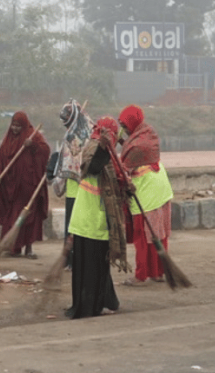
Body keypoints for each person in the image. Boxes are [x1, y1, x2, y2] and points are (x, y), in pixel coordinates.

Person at [66, 116, 131, 319]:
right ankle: (89, 306)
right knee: (90, 266)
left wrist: (127, 186)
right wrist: (103, 147)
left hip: (97, 217)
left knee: (98, 265)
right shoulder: (93, 147)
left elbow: (117, 180)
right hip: (90, 217)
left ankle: (107, 301)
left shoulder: (111, 154)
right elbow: (90, 167)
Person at [118, 104, 174, 285]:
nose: (124, 130)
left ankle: (140, 275)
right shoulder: (148, 133)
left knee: (141, 236)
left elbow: (123, 167)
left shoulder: (135, 147)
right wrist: (124, 142)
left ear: (133, 124)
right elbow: (131, 148)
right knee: (158, 234)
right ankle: (157, 272)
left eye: (125, 126)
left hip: (147, 191)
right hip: (161, 187)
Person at [0, 111, 50, 258]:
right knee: (11, 216)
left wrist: (33, 145)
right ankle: (12, 248)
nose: (15, 129)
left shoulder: (32, 135)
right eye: (13, 125)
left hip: (27, 185)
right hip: (10, 186)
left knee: (27, 217)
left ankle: (28, 248)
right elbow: (1, 156)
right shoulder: (8, 139)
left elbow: (45, 150)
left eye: (18, 126)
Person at [56, 99, 94, 269]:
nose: (65, 124)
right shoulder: (87, 130)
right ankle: (74, 259)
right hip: (80, 189)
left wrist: (59, 181)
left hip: (80, 190)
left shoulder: (76, 136)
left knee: (76, 227)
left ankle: (74, 260)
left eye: (66, 120)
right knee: (76, 226)